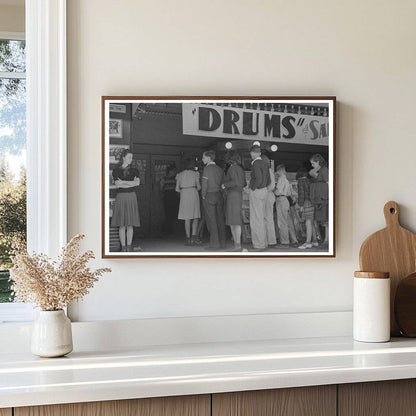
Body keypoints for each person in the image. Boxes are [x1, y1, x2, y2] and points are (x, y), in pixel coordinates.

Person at [111, 150, 141, 252]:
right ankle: (123, 248)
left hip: (131, 196)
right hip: (121, 196)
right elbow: (118, 185)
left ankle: (129, 246)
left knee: (130, 224)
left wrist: (123, 182)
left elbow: (137, 183)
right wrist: (130, 183)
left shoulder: (135, 170)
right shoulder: (116, 170)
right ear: (123, 157)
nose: (131, 159)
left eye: (132, 157)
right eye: (129, 157)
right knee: (122, 224)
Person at [201, 150, 226, 250]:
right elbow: (223, 183)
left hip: (209, 195)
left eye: (203, 157)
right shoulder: (220, 169)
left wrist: (203, 195)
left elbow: (204, 184)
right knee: (220, 219)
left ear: (208, 158)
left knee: (212, 220)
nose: (202, 159)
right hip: (219, 195)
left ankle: (214, 244)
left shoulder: (207, 169)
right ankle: (223, 243)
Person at [248, 145, 270, 251]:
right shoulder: (265, 163)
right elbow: (269, 180)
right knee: (262, 217)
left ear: (254, 153)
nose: (251, 154)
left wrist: (252, 188)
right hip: (265, 190)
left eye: (251, 153)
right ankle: (264, 242)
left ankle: (259, 244)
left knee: (256, 219)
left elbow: (258, 179)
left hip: (257, 191)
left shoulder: (255, 163)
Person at [222, 151, 245, 251]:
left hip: (232, 195)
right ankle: (237, 244)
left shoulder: (232, 168)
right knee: (236, 220)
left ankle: (237, 244)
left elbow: (234, 182)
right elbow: (243, 183)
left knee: (232, 221)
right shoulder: (240, 168)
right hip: (238, 194)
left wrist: (224, 185)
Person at [175, 158, 201, 246]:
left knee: (187, 218)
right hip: (193, 193)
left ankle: (188, 239)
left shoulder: (179, 175)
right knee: (195, 216)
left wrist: (184, 190)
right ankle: (193, 239)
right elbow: (199, 187)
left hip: (184, 194)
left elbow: (177, 189)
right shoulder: (195, 174)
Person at [274, 164, 298, 247]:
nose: (277, 173)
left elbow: (278, 191)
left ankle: (284, 241)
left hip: (281, 199)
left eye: (277, 171)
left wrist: (273, 189)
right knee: (288, 221)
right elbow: (290, 192)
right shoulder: (287, 180)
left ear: (280, 170)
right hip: (286, 200)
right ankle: (294, 239)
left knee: (282, 222)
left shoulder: (281, 179)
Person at [309, 153, 329, 246]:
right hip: (321, 197)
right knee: (323, 219)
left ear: (318, 162)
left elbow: (328, 182)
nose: (312, 166)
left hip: (323, 198)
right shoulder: (322, 170)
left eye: (313, 163)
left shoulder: (324, 170)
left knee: (325, 219)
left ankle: (326, 239)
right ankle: (325, 239)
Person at [296, 168, 318, 249]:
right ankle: (315, 241)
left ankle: (308, 242)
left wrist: (301, 206)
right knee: (311, 222)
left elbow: (301, 194)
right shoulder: (310, 181)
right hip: (312, 202)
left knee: (308, 222)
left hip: (306, 203)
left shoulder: (301, 181)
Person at [160, 165, 179, 235]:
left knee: (174, 214)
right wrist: (162, 195)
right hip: (167, 197)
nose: (175, 172)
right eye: (174, 170)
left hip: (174, 197)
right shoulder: (164, 178)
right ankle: (167, 231)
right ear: (170, 171)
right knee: (168, 214)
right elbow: (161, 188)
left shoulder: (176, 178)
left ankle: (173, 230)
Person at [263, 155, 277, 248]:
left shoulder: (268, 171)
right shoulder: (269, 171)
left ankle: (270, 241)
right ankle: (269, 240)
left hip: (267, 195)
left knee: (267, 218)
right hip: (269, 195)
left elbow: (271, 186)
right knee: (268, 218)